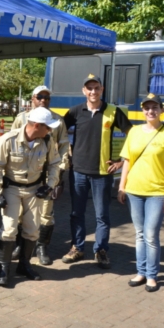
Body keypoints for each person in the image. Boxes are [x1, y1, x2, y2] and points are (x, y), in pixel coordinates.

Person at [62, 74, 132, 269]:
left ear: (102, 90)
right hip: (78, 172)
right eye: (89, 88)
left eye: (97, 88)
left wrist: (121, 161)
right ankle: (77, 247)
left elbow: (132, 134)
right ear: (84, 91)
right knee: (77, 213)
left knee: (102, 215)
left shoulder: (112, 111)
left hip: (102, 173)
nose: (93, 91)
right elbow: (58, 132)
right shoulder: (76, 111)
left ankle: (101, 250)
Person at [117, 94, 164, 293]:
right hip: (134, 190)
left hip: (157, 192)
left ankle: (152, 275)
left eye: (154, 107)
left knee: (151, 235)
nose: (150, 111)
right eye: (147, 108)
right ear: (143, 110)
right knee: (139, 234)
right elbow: (127, 161)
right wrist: (122, 186)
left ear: (162, 110)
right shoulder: (135, 132)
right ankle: (141, 272)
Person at [0, 107, 61, 285]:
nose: (50, 130)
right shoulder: (8, 140)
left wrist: (50, 186)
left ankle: (24, 264)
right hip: (12, 189)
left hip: (34, 190)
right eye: (47, 127)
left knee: (32, 229)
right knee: (9, 229)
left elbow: (54, 164)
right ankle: (3, 268)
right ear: (36, 125)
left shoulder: (48, 141)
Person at [9, 86, 70, 265]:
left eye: (47, 98)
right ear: (33, 98)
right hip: (23, 175)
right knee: (21, 213)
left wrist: (60, 171)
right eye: (40, 97)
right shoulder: (21, 118)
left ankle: (42, 246)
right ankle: (20, 245)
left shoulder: (57, 120)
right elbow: (12, 140)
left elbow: (64, 145)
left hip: (46, 174)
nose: (44, 100)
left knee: (46, 213)